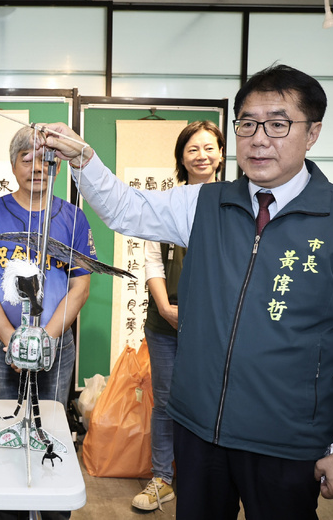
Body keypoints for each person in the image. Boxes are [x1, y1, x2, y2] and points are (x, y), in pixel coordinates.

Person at [40, 64, 333, 520]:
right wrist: (83, 158)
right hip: (198, 429)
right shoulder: (205, 202)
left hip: (286, 440)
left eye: (278, 123)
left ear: (313, 133)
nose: (259, 138)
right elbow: (127, 210)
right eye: (247, 123)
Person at [0, 126, 95, 520]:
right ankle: (6, 512)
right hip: (2, 345)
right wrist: (12, 339)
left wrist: (44, 339)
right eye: (27, 158)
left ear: (56, 165)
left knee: (51, 430)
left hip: (57, 345)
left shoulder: (72, 218)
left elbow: (80, 287)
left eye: (46, 159)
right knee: (3, 428)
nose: (37, 167)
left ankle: (53, 508)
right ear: (12, 165)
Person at [132, 121, 225, 512]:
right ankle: (162, 479)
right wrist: (166, 307)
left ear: (221, 153)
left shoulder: (235, 201)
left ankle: (205, 479)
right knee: (167, 401)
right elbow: (152, 259)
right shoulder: (168, 202)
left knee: (213, 398)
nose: (201, 155)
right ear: (181, 157)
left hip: (217, 325)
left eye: (209, 147)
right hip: (165, 320)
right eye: (193, 149)